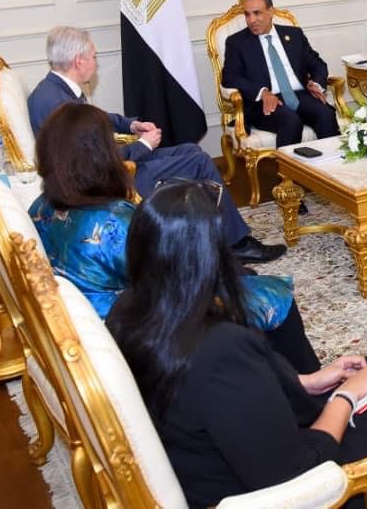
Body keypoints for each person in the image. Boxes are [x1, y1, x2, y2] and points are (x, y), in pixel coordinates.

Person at [106, 181, 367, 509]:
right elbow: (298, 472)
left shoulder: (128, 309)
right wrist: (344, 397)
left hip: (211, 455)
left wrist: (310, 382)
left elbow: (217, 401)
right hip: (277, 490)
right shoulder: (219, 350)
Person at [29, 103, 318, 370]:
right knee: (277, 299)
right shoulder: (114, 223)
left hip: (98, 321)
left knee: (243, 274)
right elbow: (178, 280)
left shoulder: (40, 208)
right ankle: (305, 388)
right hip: (146, 330)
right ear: (100, 155)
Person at [27, 26, 283, 263]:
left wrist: (130, 125)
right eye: (93, 56)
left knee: (190, 150)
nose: (96, 62)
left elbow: (96, 121)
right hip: (108, 182)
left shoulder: (54, 90)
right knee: (200, 162)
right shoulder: (59, 105)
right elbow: (97, 162)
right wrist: (143, 145)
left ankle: (206, 236)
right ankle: (235, 244)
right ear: (79, 61)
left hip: (104, 169)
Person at [221, 0, 340, 148]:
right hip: (264, 103)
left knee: (325, 114)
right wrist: (262, 92)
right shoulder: (236, 42)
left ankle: (329, 162)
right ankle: (287, 165)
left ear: (270, 11)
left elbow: (317, 64)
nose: (252, 20)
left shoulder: (294, 34)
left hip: (300, 96)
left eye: (257, 13)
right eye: (247, 14)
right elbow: (230, 77)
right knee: (291, 121)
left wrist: (317, 84)